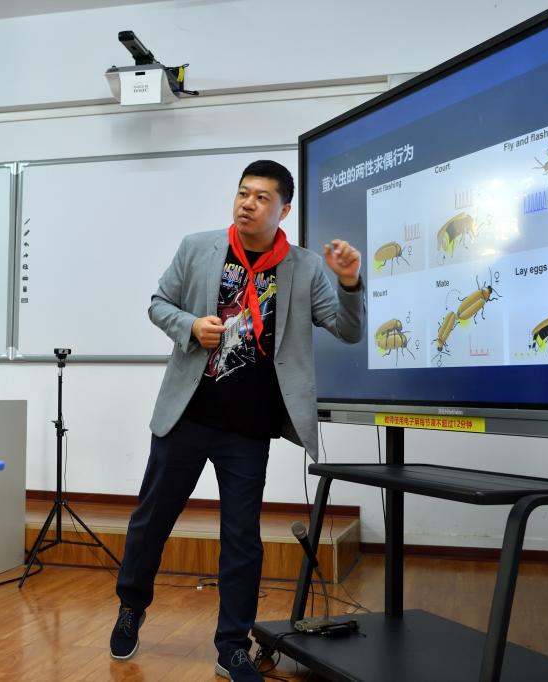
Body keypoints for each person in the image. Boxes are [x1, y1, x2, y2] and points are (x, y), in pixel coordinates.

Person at [109, 160, 365, 680]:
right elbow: (158, 304)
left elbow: (347, 330)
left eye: (261, 197)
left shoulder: (303, 267)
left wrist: (349, 282)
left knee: (242, 540)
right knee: (152, 520)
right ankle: (131, 605)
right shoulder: (198, 248)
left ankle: (232, 645)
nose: (248, 204)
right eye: (243, 193)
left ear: (283, 210)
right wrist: (189, 325)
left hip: (248, 429)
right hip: (187, 416)